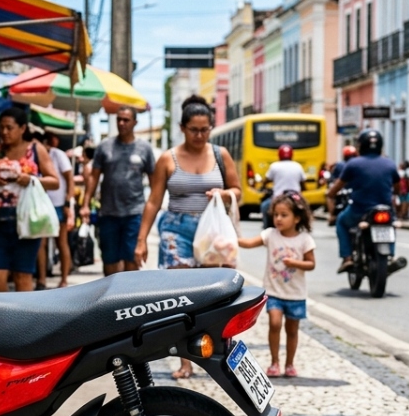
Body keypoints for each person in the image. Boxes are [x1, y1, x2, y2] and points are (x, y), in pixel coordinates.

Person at [135, 95, 240, 379]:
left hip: (211, 233)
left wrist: (225, 194)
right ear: (182, 127)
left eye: (205, 129)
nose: (200, 135)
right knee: (180, 296)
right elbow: (154, 201)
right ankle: (184, 360)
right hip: (175, 229)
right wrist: (142, 239)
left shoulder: (220, 155)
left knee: (212, 294)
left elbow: (237, 189)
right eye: (194, 129)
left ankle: (215, 349)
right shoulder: (168, 159)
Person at [0, 106, 60, 293]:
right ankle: (4, 318)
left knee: (22, 276)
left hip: (26, 221)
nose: (4, 132)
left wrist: (32, 180)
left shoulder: (35, 149)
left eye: (9, 128)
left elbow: (55, 181)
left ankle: (23, 321)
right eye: (2, 127)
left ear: (22, 128)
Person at [238, 193, 316, 378]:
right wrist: (231, 238)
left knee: (292, 329)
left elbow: (311, 264)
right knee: (274, 323)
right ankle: (274, 362)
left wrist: (295, 263)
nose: (278, 219)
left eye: (284, 215)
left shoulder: (305, 240)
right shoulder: (270, 234)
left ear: (297, 218)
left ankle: (290, 363)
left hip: (295, 294)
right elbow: (249, 243)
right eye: (276, 215)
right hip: (274, 291)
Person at [82, 107, 155, 276]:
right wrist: (86, 204)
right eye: (119, 119)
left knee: (132, 260)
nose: (122, 123)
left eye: (126, 120)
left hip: (134, 213)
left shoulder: (144, 148)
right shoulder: (104, 147)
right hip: (108, 213)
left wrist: (151, 209)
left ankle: (127, 298)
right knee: (110, 261)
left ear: (135, 122)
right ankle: (111, 299)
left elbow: (154, 182)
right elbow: (94, 177)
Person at [327, 128, 408, 274]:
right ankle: (391, 255)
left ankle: (347, 258)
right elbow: (397, 187)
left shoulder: (353, 164)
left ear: (361, 145)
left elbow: (338, 186)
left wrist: (330, 194)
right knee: (390, 225)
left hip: (359, 210)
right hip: (385, 209)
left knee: (341, 222)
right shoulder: (390, 164)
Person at [38, 132, 75, 288]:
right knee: (41, 243)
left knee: (61, 242)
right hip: (41, 204)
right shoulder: (33, 156)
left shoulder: (57, 154)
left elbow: (69, 178)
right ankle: (41, 279)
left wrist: (68, 203)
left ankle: (64, 279)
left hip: (58, 204)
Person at [261, 144, 306, 228]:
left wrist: (263, 186)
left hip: (278, 197)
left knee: (264, 206)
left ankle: (266, 228)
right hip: (295, 197)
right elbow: (303, 183)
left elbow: (266, 180)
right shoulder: (298, 166)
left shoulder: (274, 166)